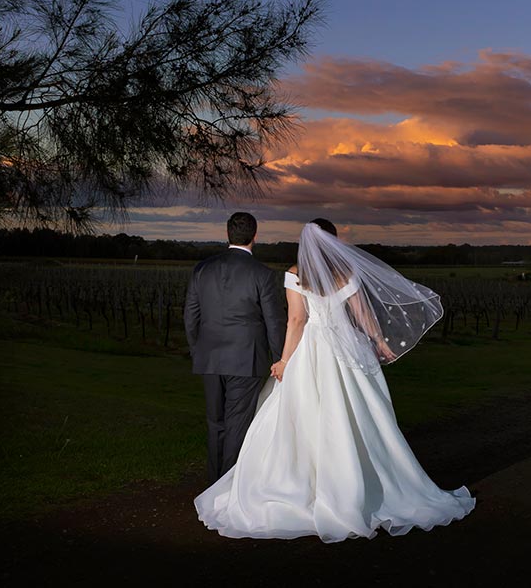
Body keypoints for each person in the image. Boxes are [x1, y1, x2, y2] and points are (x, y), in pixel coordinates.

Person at [194, 218, 474, 541]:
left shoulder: (297, 274)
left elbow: (297, 321)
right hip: (346, 351)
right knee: (357, 418)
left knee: (300, 417)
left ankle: (303, 485)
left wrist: (285, 361)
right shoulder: (346, 273)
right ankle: (358, 484)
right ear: (334, 242)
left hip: (310, 352)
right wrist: (382, 345)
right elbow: (363, 317)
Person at [184, 212, 286, 485]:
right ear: (255, 236)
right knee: (237, 426)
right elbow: (274, 322)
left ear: (227, 234)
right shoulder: (263, 274)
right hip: (246, 359)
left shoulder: (202, 269)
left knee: (215, 423)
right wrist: (280, 359)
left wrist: (198, 351)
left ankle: (215, 484)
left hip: (209, 358)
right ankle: (227, 489)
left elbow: (190, 317)